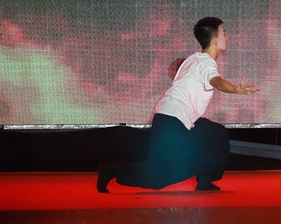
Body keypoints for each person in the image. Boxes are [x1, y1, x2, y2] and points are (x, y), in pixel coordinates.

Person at [98, 17, 259, 192]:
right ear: (214, 40)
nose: (227, 37)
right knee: (160, 176)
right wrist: (235, 89)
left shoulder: (193, 60)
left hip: (171, 118)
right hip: (172, 120)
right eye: (224, 33)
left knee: (215, 133)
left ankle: (205, 181)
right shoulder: (206, 62)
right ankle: (112, 171)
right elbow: (216, 81)